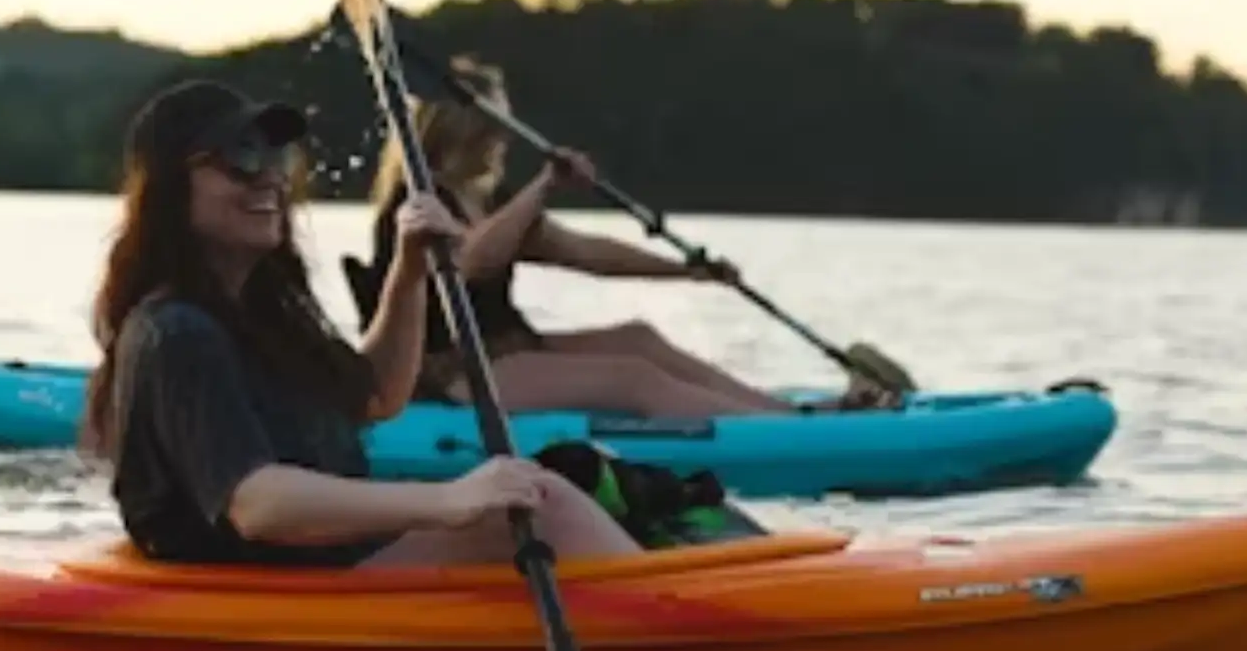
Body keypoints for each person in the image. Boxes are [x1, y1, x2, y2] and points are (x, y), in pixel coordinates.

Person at [82, 79, 645, 570]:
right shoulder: (176, 330)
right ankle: (678, 626)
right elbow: (259, 505)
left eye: (276, 157)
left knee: (579, 478)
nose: (270, 178)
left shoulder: (261, 314)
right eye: (240, 158)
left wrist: (408, 274)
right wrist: (447, 501)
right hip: (276, 584)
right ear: (169, 189)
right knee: (546, 503)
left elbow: (376, 395)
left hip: (325, 560)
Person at [365, 56, 895, 418]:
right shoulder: (417, 205)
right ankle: (787, 432)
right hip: (451, 375)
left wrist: (687, 272)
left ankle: (793, 416)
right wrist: (546, 184)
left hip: (506, 350)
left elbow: (583, 252)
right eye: (498, 125)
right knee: (632, 377)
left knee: (639, 338)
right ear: (469, 130)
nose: (506, 135)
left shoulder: (492, 200)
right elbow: (470, 261)